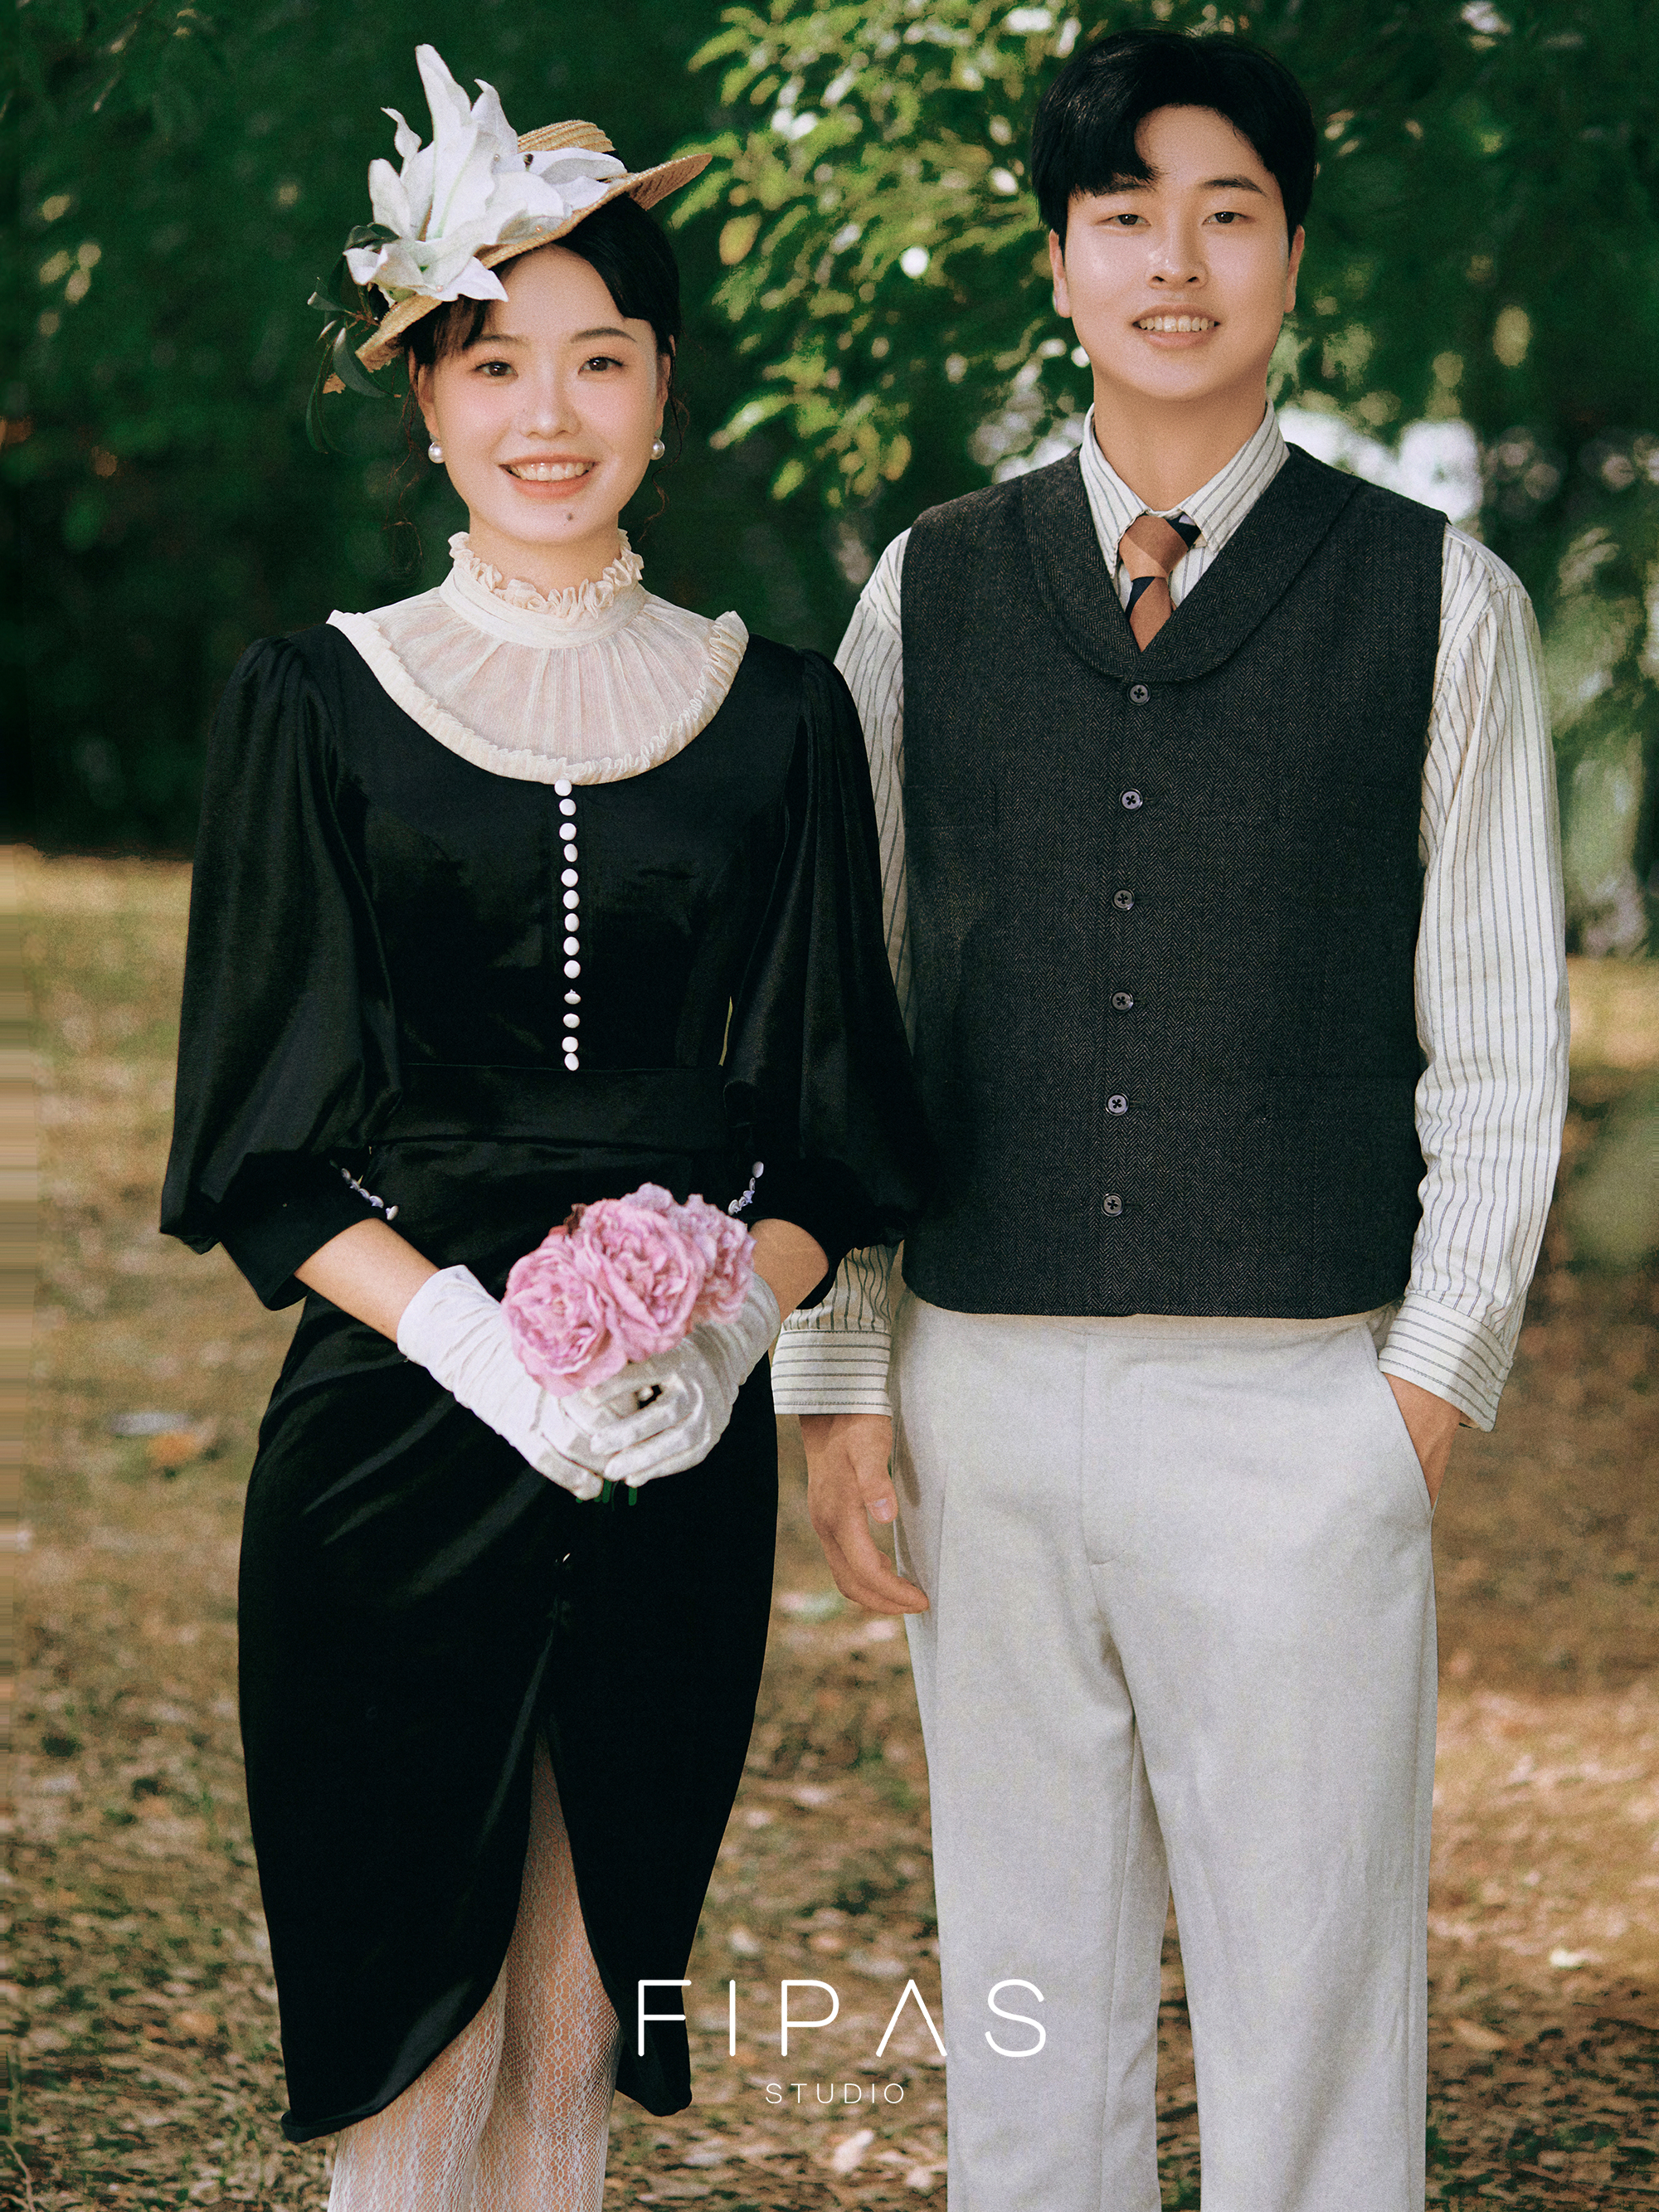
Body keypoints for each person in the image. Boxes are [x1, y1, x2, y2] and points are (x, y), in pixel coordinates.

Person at [772, 27, 1567, 2212]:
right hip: (984, 1387)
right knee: (1027, 1994)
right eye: (1124, 217)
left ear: (1294, 253)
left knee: (1316, 2006)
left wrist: (1419, 1394)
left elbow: (1501, 1043)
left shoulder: (1441, 600)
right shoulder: (929, 587)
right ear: (1059, 263)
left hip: (1301, 1404)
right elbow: (846, 1010)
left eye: (1228, 214)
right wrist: (841, 1375)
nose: (1176, 264)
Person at [159, 47, 928, 2211]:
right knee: (421, 2055)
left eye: (601, 357)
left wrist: (726, 1334)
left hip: (673, 1461)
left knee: (575, 2041)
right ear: (426, 397)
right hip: (391, 1452)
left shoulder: (784, 718)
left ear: (667, 386)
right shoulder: (314, 701)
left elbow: (836, 1127)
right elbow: (263, 1143)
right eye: (495, 362)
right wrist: (480, 1351)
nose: (549, 412)